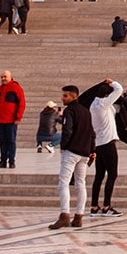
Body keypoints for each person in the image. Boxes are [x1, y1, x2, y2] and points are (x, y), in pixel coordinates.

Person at [49, 84, 96, 229]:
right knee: (80, 184)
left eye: (65, 95)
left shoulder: (69, 111)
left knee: (63, 182)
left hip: (72, 151)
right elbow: (92, 133)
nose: (62, 98)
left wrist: (64, 146)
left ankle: (65, 215)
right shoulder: (85, 111)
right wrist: (92, 150)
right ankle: (79, 217)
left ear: (73, 96)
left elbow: (67, 131)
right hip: (84, 153)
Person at [83, 78, 126, 213]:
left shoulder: (93, 105)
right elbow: (119, 89)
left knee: (99, 175)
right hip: (107, 143)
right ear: (107, 95)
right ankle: (107, 206)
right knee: (112, 174)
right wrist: (112, 82)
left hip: (99, 144)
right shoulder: (103, 104)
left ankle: (94, 206)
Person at [0, 71, 26, 168]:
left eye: (5, 77)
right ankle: (3, 161)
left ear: (11, 77)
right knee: (2, 141)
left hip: (11, 121)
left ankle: (11, 161)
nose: (3, 78)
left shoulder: (16, 88)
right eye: (2, 77)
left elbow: (21, 104)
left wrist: (18, 117)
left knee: (11, 141)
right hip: (0, 120)